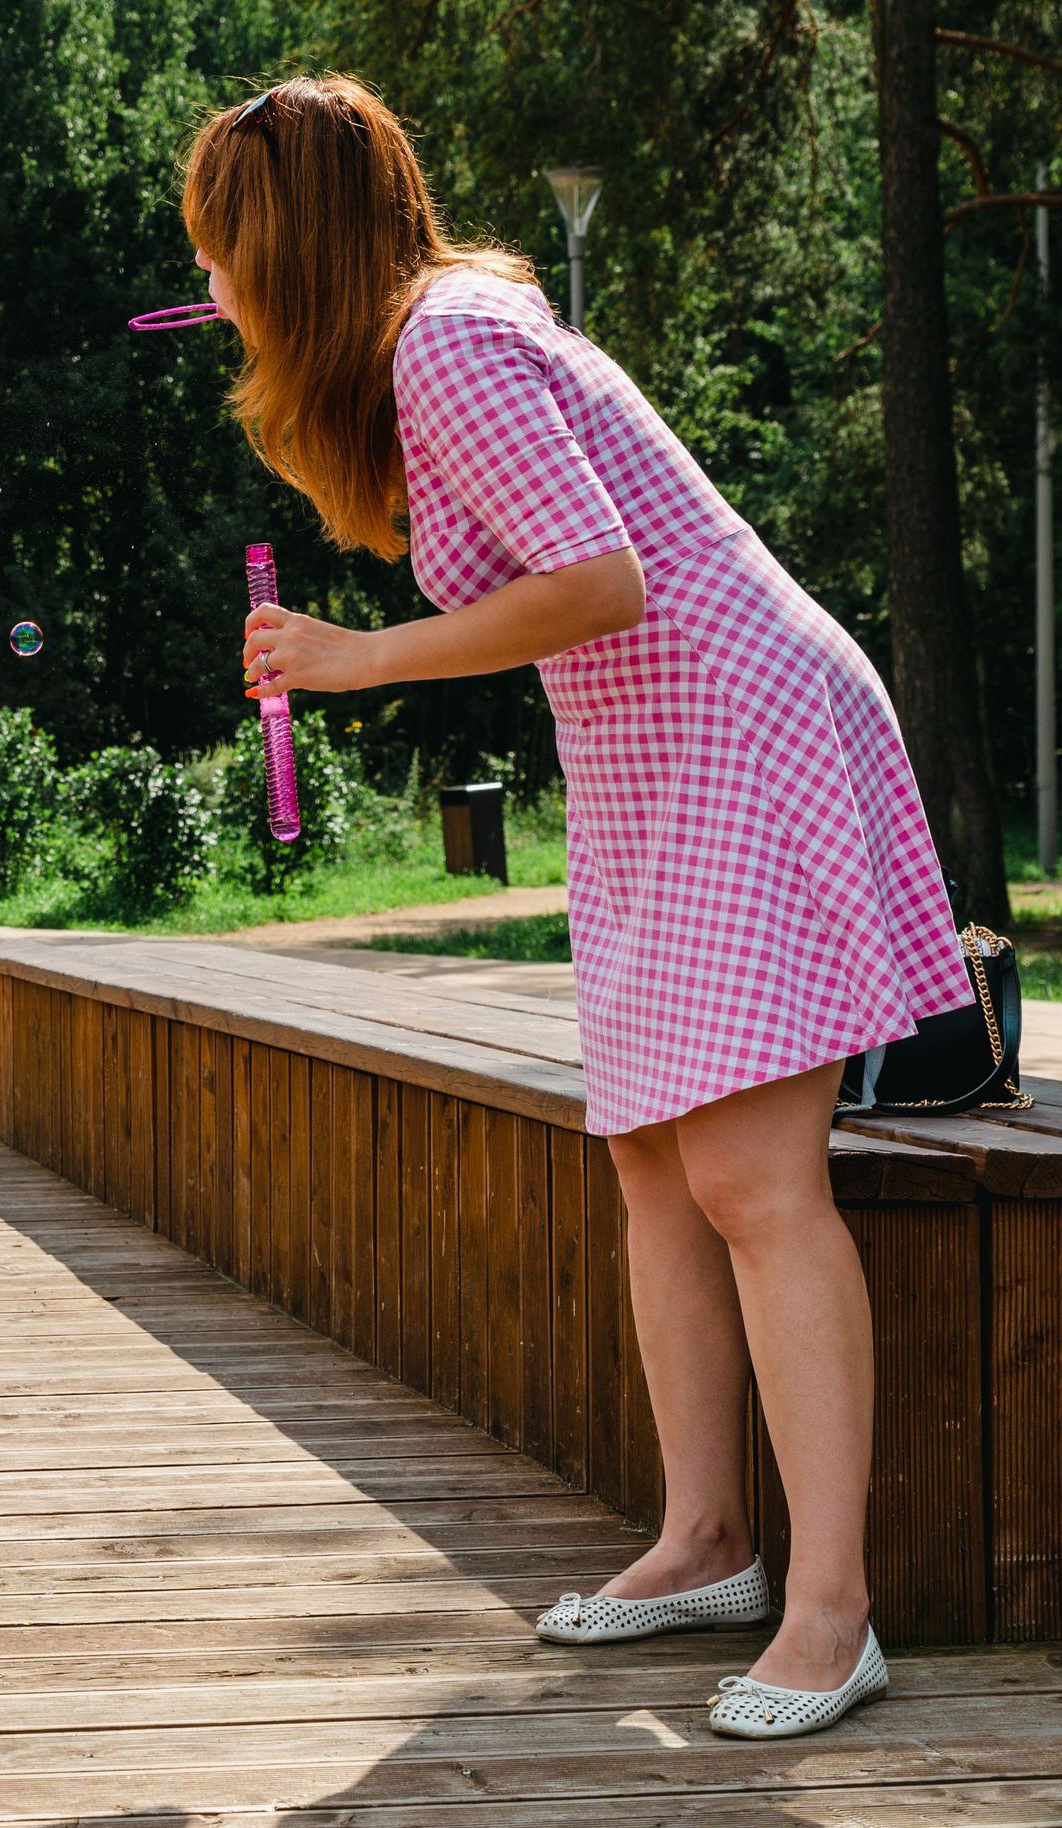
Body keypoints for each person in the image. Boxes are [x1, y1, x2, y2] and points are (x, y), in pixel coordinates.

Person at [184, 75, 971, 1740]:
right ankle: (707, 1541)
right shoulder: (440, 341)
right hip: (651, 766)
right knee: (654, 1165)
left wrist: (360, 658)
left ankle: (834, 1612)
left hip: (737, 734)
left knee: (754, 1179)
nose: (212, 280)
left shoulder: (451, 344)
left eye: (224, 245)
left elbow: (603, 579)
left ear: (293, 244)